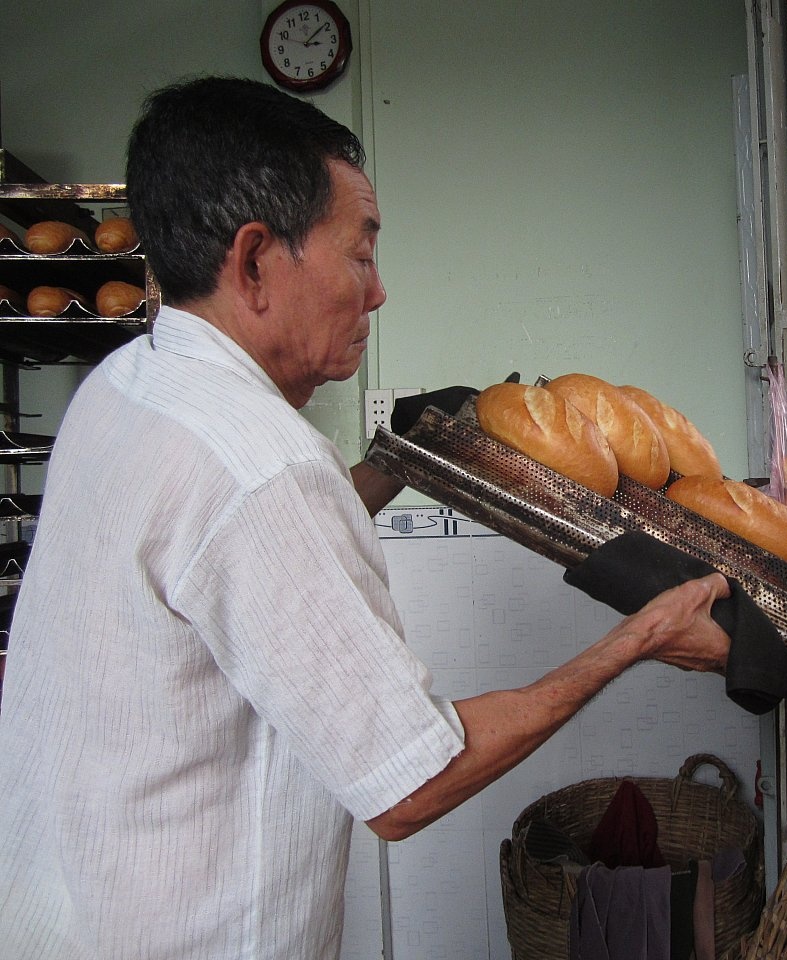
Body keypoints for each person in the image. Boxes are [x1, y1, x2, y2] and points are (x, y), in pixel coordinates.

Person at [0, 76, 732, 959]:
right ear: (257, 260)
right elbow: (410, 784)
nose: (378, 292)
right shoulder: (266, 470)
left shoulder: (126, 388)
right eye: (360, 253)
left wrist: (397, 460)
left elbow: (241, 567)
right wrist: (637, 640)